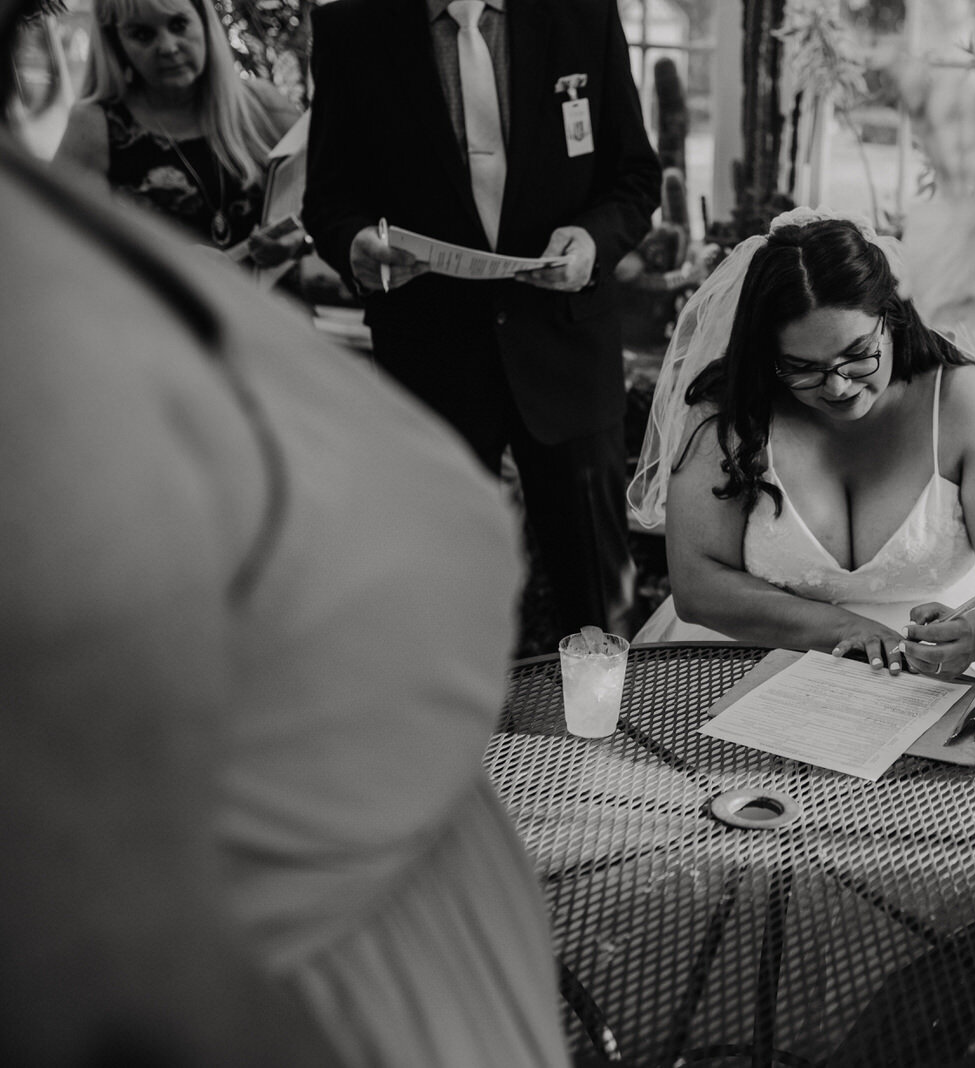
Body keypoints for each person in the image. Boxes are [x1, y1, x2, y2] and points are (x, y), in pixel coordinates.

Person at [0, 5, 572, 1063]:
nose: (149, 49)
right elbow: (104, 968)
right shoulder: (33, 322)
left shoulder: (49, 215)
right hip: (317, 1009)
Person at [302, 0, 662, 648]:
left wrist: (590, 239)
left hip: (567, 349)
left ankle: (611, 739)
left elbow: (634, 175)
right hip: (430, 360)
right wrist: (355, 242)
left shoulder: (582, 13)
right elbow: (328, 198)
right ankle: (471, 744)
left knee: (600, 602)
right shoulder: (349, 28)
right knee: (442, 598)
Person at [629, 210, 975, 698]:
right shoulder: (727, 412)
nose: (838, 386)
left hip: (934, 680)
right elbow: (696, 584)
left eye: (859, 354)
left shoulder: (964, 401)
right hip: (752, 661)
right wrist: (842, 629)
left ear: (893, 317)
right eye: (802, 368)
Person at [54, 0, 305, 268]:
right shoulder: (94, 127)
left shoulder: (264, 107)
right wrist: (163, 261)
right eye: (142, 34)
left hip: (269, 306)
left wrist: (299, 241)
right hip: (161, 307)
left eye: (179, 25)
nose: (168, 47)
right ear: (115, 43)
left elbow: (328, 212)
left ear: (205, 22)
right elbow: (64, 247)